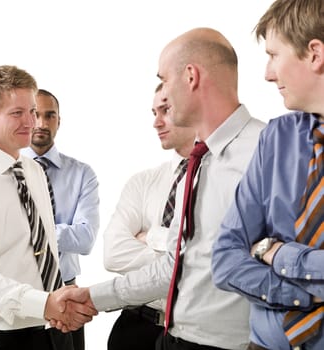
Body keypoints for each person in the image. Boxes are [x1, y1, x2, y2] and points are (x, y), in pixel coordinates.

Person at [53, 28, 266, 350]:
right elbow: (176, 264)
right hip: (174, 339)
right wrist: (94, 297)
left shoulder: (269, 151)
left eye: (163, 80)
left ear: (191, 76)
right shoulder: (198, 163)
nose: (162, 96)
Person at [0, 65, 97, 350]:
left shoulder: (32, 171)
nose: (32, 122)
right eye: (17, 113)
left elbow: (45, 248)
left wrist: (56, 301)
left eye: (32, 111)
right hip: (2, 340)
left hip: (52, 330)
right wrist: (44, 303)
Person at [211, 1, 324, 349]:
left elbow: (248, 251)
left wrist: (276, 253)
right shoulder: (276, 138)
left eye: (274, 55)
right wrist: (304, 297)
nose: (267, 73)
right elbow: (226, 258)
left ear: (315, 53)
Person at [103, 83, 195, 350]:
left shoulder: (220, 177)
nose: (156, 122)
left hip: (192, 332)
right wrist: (176, 259)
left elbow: (209, 257)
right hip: (135, 328)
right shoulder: (142, 182)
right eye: (154, 112)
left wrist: (150, 236)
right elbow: (112, 253)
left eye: (166, 110)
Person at [21, 88, 100, 350]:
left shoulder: (81, 174)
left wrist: (29, 231)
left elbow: (86, 239)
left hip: (66, 291)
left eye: (50, 115)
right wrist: (63, 233)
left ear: (58, 121)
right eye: (36, 115)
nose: (42, 124)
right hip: (21, 291)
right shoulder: (10, 172)